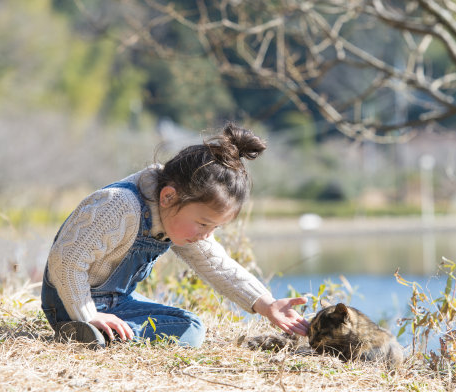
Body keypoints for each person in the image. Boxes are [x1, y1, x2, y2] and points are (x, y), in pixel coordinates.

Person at [41, 123, 309, 348]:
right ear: (169, 197)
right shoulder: (119, 205)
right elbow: (66, 263)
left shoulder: (174, 216)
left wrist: (267, 304)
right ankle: (87, 331)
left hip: (115, 302)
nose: (206, 236)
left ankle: (101, 335)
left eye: (214, 228)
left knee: (189, 325)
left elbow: (218, 266)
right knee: (188, 328)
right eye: (203, 224)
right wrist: (89, 314)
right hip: (70, 302)